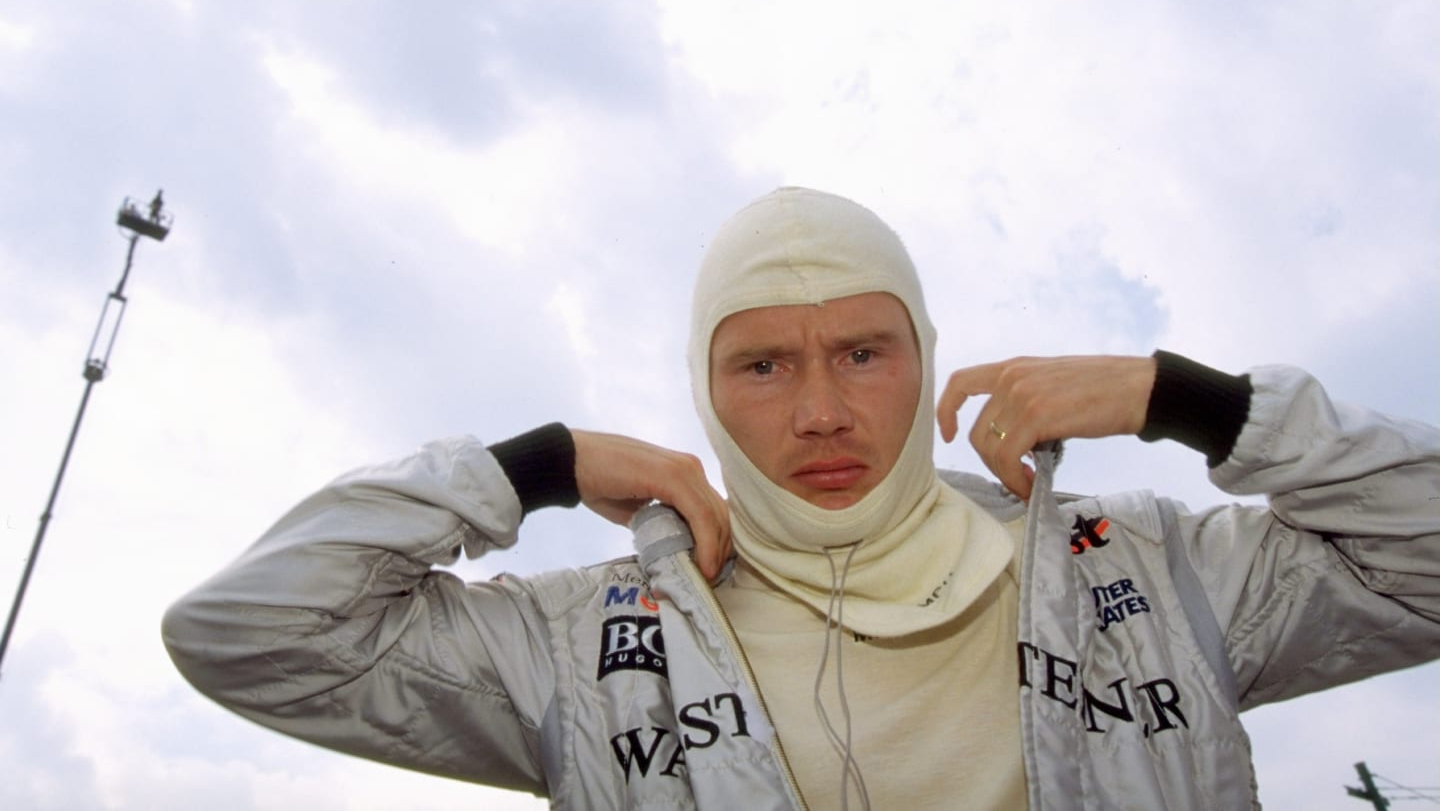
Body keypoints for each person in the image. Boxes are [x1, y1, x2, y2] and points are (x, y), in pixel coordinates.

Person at [163, 187, 1440, 810]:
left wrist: (1193, 399)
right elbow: (248, 634)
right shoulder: (596, 643)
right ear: (705, 387)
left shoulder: (1148, 570)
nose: (821, 411)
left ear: (925, 359)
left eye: (863, 353)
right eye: (763, 363)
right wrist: (528, 468)